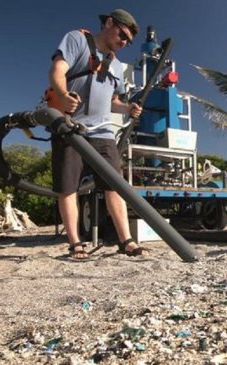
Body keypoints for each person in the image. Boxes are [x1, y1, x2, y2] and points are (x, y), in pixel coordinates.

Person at [48, 8, 148, 259]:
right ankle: (76, 244)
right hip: (70, 127)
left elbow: (113, 99)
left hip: (103, 133)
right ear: (109, 23)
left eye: (128, 41)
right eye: (123, 35)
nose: (124, 42)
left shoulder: (115, 64)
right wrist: (62, 95)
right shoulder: (77, 40)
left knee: (115, 185)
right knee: (68, 187)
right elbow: (57, 70)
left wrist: (128, 107)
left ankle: (126, 241)